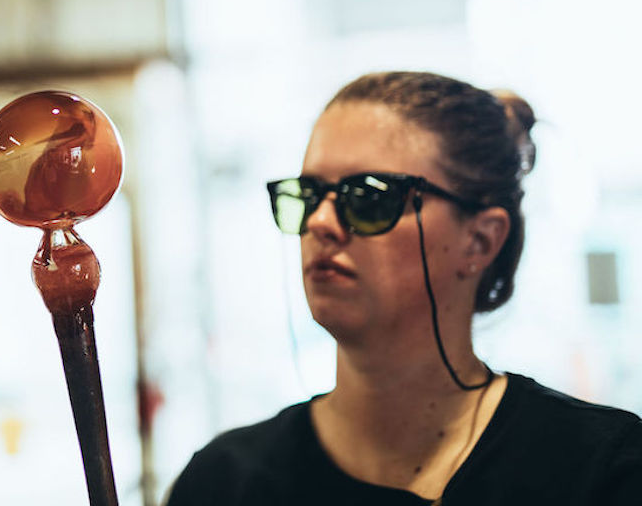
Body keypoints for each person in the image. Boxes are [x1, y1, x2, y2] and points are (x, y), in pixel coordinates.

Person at [165, 71, 642, 505]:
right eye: (308, 196)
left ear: (479, 240)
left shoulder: (601, 472)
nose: (321, 222)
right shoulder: (223, 483)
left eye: (369, 196)